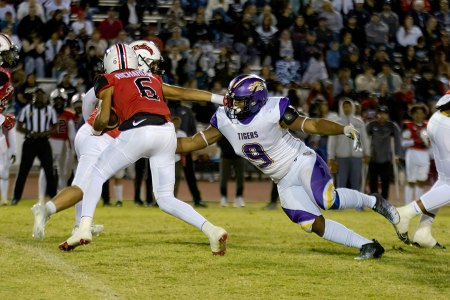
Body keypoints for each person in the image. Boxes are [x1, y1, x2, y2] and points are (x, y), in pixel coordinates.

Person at [177, 74, 401, 260]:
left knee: (328, 200)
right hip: (281, 179)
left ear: (256, 100)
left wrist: (342, 129)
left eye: (240, 101)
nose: (233, 105)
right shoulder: (224, 119)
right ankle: (368, 245)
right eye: (233, 99)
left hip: (300, 161)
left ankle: (375, 202)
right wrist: (159, 143)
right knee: (311, 223)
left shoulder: (274, 109)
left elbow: (310, 123)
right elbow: (191, 143)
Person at [34, 42, 227, 257]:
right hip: (166, 131)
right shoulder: (152, 79)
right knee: (165, 198)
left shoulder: (109, 79)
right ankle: (211, 229)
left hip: (137, 130)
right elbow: (182, 93)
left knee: (96, 174)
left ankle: (84, 228)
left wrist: (98, 127)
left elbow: (102, 119)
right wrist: (220, 98)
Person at [394, 93, 450, 249]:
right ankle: (405, 212)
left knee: (445, 180)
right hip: (446, 123)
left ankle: (423, 233)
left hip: (439, 120)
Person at [12, 88, 57, 205]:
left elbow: (56, 127)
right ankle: (16, 197)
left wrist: (45, 133)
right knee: (23, 171)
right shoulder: (27, 109)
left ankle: (53, 197)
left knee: (49, 170)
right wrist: (30, 132)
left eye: (42, 95)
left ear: (45, 97)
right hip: (30, 142)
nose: (39, 97)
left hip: (43, 142)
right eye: (37, 95)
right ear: (33, 97)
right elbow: (19, 126)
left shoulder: (50, 110)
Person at [366, 105, 401, 199]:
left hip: (386, 158)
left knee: (385, 181)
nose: (382, 116)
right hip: (373, 157)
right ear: (376, 114)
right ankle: (374, 200)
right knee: (373, 180)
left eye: (384, 114)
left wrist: (397, 155)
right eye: (380, 114)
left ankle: (384, 200)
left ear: (387, 115)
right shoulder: (371, 125)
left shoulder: (392, 126)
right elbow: (364, 140)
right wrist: (365, 153)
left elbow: (397, 141)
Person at [401, 104, 431, 204]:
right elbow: (403, 143)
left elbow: (431, 142)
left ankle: (418, 205)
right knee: (411, 181)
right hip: (412, 154)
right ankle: (408, 205)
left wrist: (428, 142)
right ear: (412, 115)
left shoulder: (428, 126)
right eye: (416, 113)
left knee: (421, 181)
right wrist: (416, 141)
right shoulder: (408, 126)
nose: (419, 115)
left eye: (421, 113)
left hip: (424, 155)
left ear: (424, 115)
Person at [217, 137, 245, 207]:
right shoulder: (223, 127)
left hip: (239, 156)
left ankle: (239, 197)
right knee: (224, 177)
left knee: (240, 177)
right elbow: (219, 141)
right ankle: (224, 197)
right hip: (225, 155)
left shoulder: (240, 126)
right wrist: (225, 149)